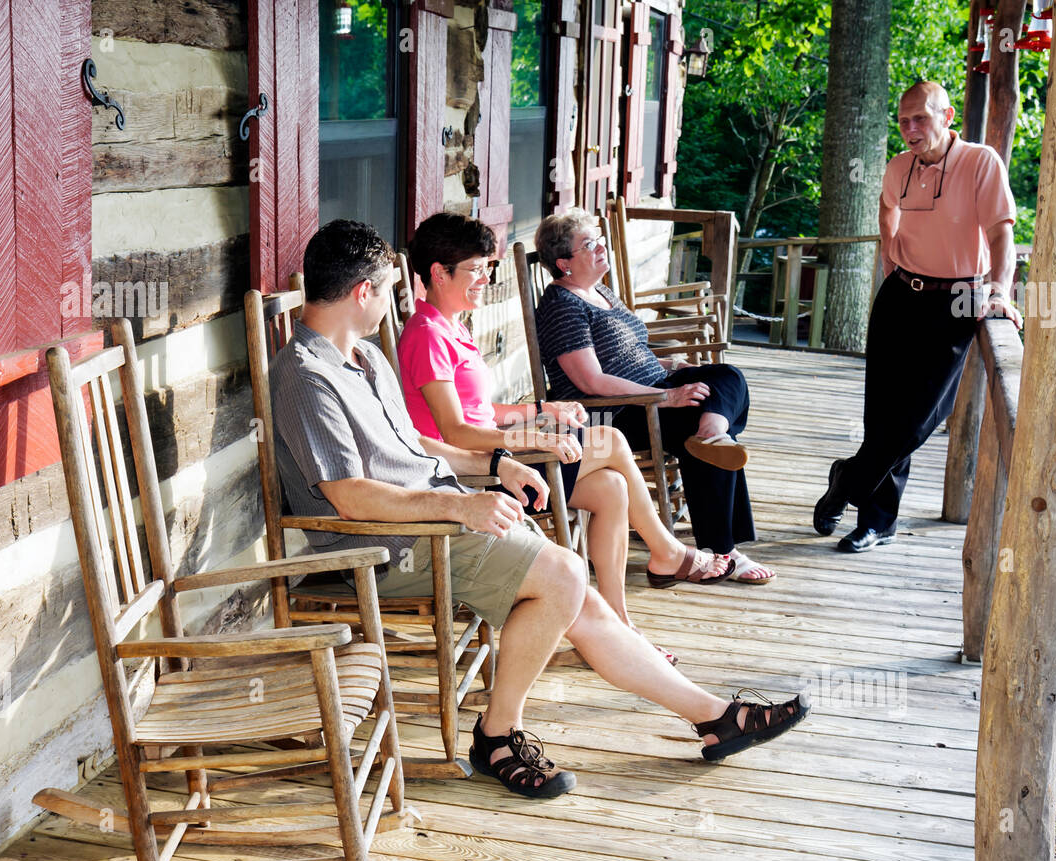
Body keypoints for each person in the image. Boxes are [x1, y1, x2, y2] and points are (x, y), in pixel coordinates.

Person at [269, 218, 808, 799]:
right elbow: (348, 495)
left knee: (578, 596)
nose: (392, 303)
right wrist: (460, 508)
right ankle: (498, 734)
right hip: (387, 546)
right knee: (564, 576)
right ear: (362, 292)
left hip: (437, 520)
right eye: (386, 290)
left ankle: (715, 717)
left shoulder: (367, 359)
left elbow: (416, 444)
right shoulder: (306, 376)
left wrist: (497, 463)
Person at [399, 213, 734, 658]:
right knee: (610, 441)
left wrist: (542, 411)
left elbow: (481, 411)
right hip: (475, 478)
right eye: (476, 269)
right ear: (439, 274)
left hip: (500, 457)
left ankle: (617, 625)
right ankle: (667, 553)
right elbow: (454, 430)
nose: (485, 279)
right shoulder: (426, 336)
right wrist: (534, 439)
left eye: (487, 268)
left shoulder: (453, 327)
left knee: (612, 487)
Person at [814, 80, 1024, 553]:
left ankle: (848, 479)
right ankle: (877, 522)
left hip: (959, 299)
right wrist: (889, 254)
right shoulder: (898, 167)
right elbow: (887, 207)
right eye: (903, 120)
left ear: (947, 116)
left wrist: (999, 289)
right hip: (899, 296)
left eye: (920, 119)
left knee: (921, 418)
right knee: (883, 417)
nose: (910, 128)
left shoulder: (980, 162)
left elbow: (1001, 233)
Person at [531, 209, 775, 584]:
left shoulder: (600, 291)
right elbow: (591, 380)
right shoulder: (561, 306)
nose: (601, 248)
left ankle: (712, 435)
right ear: (564, 263)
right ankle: (722, 545)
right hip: (615, 412)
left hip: (652, 390)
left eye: (599, 239)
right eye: (589, 244)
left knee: (727, 375)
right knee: (693, 418)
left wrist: (670, 364)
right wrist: (666, 397)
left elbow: (627, 353)